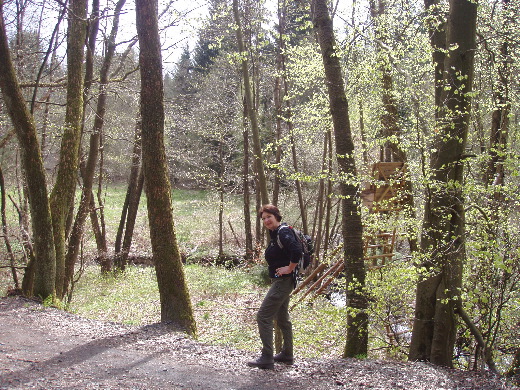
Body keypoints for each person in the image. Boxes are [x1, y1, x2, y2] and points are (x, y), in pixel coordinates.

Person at [247, 204, 301, 369]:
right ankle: (287, 354)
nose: (266, 221)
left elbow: (296, 250)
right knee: (282, 318)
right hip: (283, 281)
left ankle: (267, 357)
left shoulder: (283, 231)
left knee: (263, 316)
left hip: (283, 281)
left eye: (269, 217)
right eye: (263, 219)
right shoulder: (276, 233)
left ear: (277, 216)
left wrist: (289, 268)